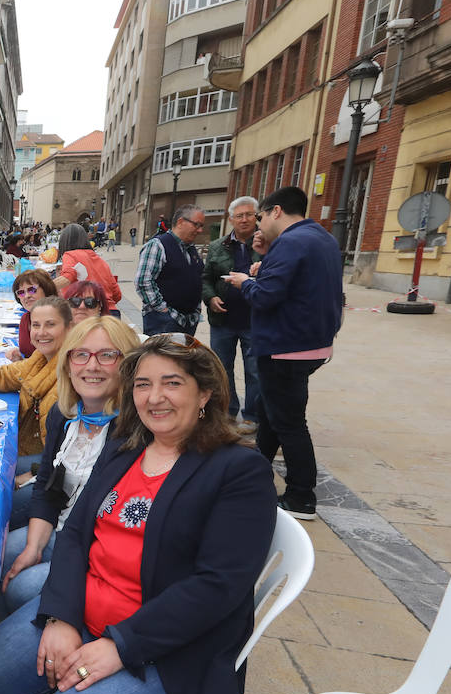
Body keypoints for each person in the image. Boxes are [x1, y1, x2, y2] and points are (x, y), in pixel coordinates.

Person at [0, 333, 277, 694]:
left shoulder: (238, 470)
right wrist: (63, 617)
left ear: (205, 393)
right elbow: (75, 536)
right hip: (85, 613)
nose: (154, 397)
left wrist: (119, 645)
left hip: (166, 654)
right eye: (143, 384)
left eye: (172, 383)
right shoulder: (126, 447)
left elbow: (216, 588)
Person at [0, 317, 141, 614]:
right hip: (60, 528)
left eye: (107, 355)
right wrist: (34, 547)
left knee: (18, 588)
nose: (92, 366)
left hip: (94, 550)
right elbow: (48, 485)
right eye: (81, 354)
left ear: (127, 365)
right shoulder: (65, 416)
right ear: (68, 363)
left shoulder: (134, 433)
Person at [224, 186, 342, 521]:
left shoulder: (294, 241)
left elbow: (265, 296)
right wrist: (266, 258)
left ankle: (301, 497)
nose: (258, 224)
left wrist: (243, 282)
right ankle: (256, 473)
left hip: (286, 346)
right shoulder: (319, 237)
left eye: (259, 216)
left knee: (289, 423)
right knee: (271, 412)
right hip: (308, 343)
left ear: (276, 211)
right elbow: (294, 283)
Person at [0, 296, 73, 476]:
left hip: (55, 470)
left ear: (69, 328)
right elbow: (5, 377)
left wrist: (30, 475)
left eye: (50, 324)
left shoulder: (74, 372)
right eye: (36, 325)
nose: (41, 332)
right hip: (41, 456)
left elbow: (72, 451)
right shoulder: (39, 359)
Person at [203, 196, 262, 434]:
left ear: (257, 217)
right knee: (221, 368)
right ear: (231, 219)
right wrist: (210, 298)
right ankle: (227, 412)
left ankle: (252, 416)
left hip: (254, 319)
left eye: (249, 215)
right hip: (222, 319)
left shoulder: (267, 244)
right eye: (239, 216)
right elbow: (206, 278)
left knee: (254, 369)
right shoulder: (218, 246)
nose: (245, 220)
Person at [135, 204, 206, 337]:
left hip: (188, 322)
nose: (200, 230)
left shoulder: (191, 249)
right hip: (163, 323)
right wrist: (163, 310)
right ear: (180, 222)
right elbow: (143, 281)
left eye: (202, 226)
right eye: (197, 225)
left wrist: (196, 310)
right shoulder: (158, 245)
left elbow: (198, 278)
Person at [55, 223, 122, 316]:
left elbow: (68, 276)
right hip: (111, 314)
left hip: (89, 314)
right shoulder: (101, 261)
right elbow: (117, 294)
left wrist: (43, 286)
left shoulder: (70, 255)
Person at [5, 269, 59, 362]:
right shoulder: (25, 319)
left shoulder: (60, 319)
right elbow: (31, 359)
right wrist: (19, 360)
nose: (26, 296)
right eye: (21, 293)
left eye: (32, 290)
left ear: (46, 290)